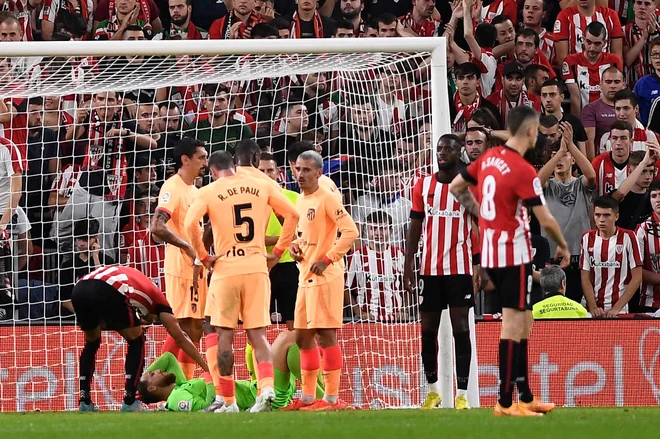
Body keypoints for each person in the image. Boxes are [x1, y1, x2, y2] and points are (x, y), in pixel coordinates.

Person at [450, 106, 570, 416]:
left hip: (492, 253)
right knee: (514, 325)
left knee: (523, 322)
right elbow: (545, 219)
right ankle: (505, 401)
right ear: (530, 132)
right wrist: (564, 246)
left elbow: (456, 187)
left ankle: (526, 395)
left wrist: (481, 214)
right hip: (512, 254)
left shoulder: (487, 159)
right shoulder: (521, 169)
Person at [184, 149, 299, 413]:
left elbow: (191, 224)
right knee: (257, 334)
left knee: (224, 335)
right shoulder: (259, 185)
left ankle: (228, 401)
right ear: (234, 166)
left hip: (226, 269)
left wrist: (204, 257)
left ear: (213, 171)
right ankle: (266, 389)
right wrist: (278, 252)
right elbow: (292, 215)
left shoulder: (208, 192)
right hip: (257, 267)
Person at [71, 265, 208, 412]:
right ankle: (130, 400)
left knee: (92, 342)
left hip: (80, 289)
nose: (148, 321)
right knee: (137, 341)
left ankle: (84, 401)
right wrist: (206, 368)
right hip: (109, 288)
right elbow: (181, 337)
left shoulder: (136, 283)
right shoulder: (160, 301)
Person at [282, 150, 359, 411]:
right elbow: (301, 234)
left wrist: (328, 258)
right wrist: (293, 246)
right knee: (303, 337)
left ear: (319, 173)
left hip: (325, 277)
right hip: (305, 276)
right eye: (297, 169)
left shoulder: (327, 198)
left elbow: (351, 232)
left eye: (306, 170)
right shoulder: (300, 201)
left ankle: (332, 400)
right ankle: (307, 397)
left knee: (326, 337)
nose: (300, 174)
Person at [404, 134, 476, 410]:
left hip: (459, 268)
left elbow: (480, 224)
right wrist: (409, 263)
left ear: (460, 153)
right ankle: (433, 391)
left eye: (448, 149)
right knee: (427, 330)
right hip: (429, 269)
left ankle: (463, 395)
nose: (442, 153)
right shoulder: (423, 185)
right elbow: (415, 226)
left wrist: (480, 263)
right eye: (439, 149)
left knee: (460, 328)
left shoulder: (469, 186)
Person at [151, 137, 209, 379]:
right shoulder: (172, 187)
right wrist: (187, 248)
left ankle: (181, 383)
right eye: (201, 158)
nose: (205, 162)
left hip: (196, 267)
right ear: (185, 160)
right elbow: (157, 226)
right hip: (181, 266)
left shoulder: (195, 190)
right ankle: (151, 382)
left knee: (194, 328)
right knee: (182, 327)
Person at [581, 196, 643, 317]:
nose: (601, 220)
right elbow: (585, 276)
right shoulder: (587, 238)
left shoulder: (628, 237)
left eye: (606, 215)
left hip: (619, 309)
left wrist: (617, 308)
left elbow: (637, 277)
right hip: (591, 309)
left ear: (616, 216)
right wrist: (593, 307)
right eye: (597, 215)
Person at [258, 152, 299, 329]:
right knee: (258, 325)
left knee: (294, 322)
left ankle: (293, 356)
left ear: (278, 172)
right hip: (260, 265)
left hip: (288, 264)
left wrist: (273, 242)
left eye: (270, 170)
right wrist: (283, 239)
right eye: (261, 170)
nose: (266, 175)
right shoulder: (249, 200)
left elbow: (300, 234)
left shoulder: (294, 198)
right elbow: (251, 239)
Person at [563, 22, 623, 116]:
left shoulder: (614, 61)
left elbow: (618, 92)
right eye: (589, 42)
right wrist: (578, 126)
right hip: (583, 116)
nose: (592, 48)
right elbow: (575, 97)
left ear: (604, 43)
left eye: (597, 44)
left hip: (609, 116)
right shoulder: (571, 61)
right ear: (583, 40)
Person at [635, 180, 660, 313]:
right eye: (654, 196)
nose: (658, 200)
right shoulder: (642, 229)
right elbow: (637, 271)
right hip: (650, 303)